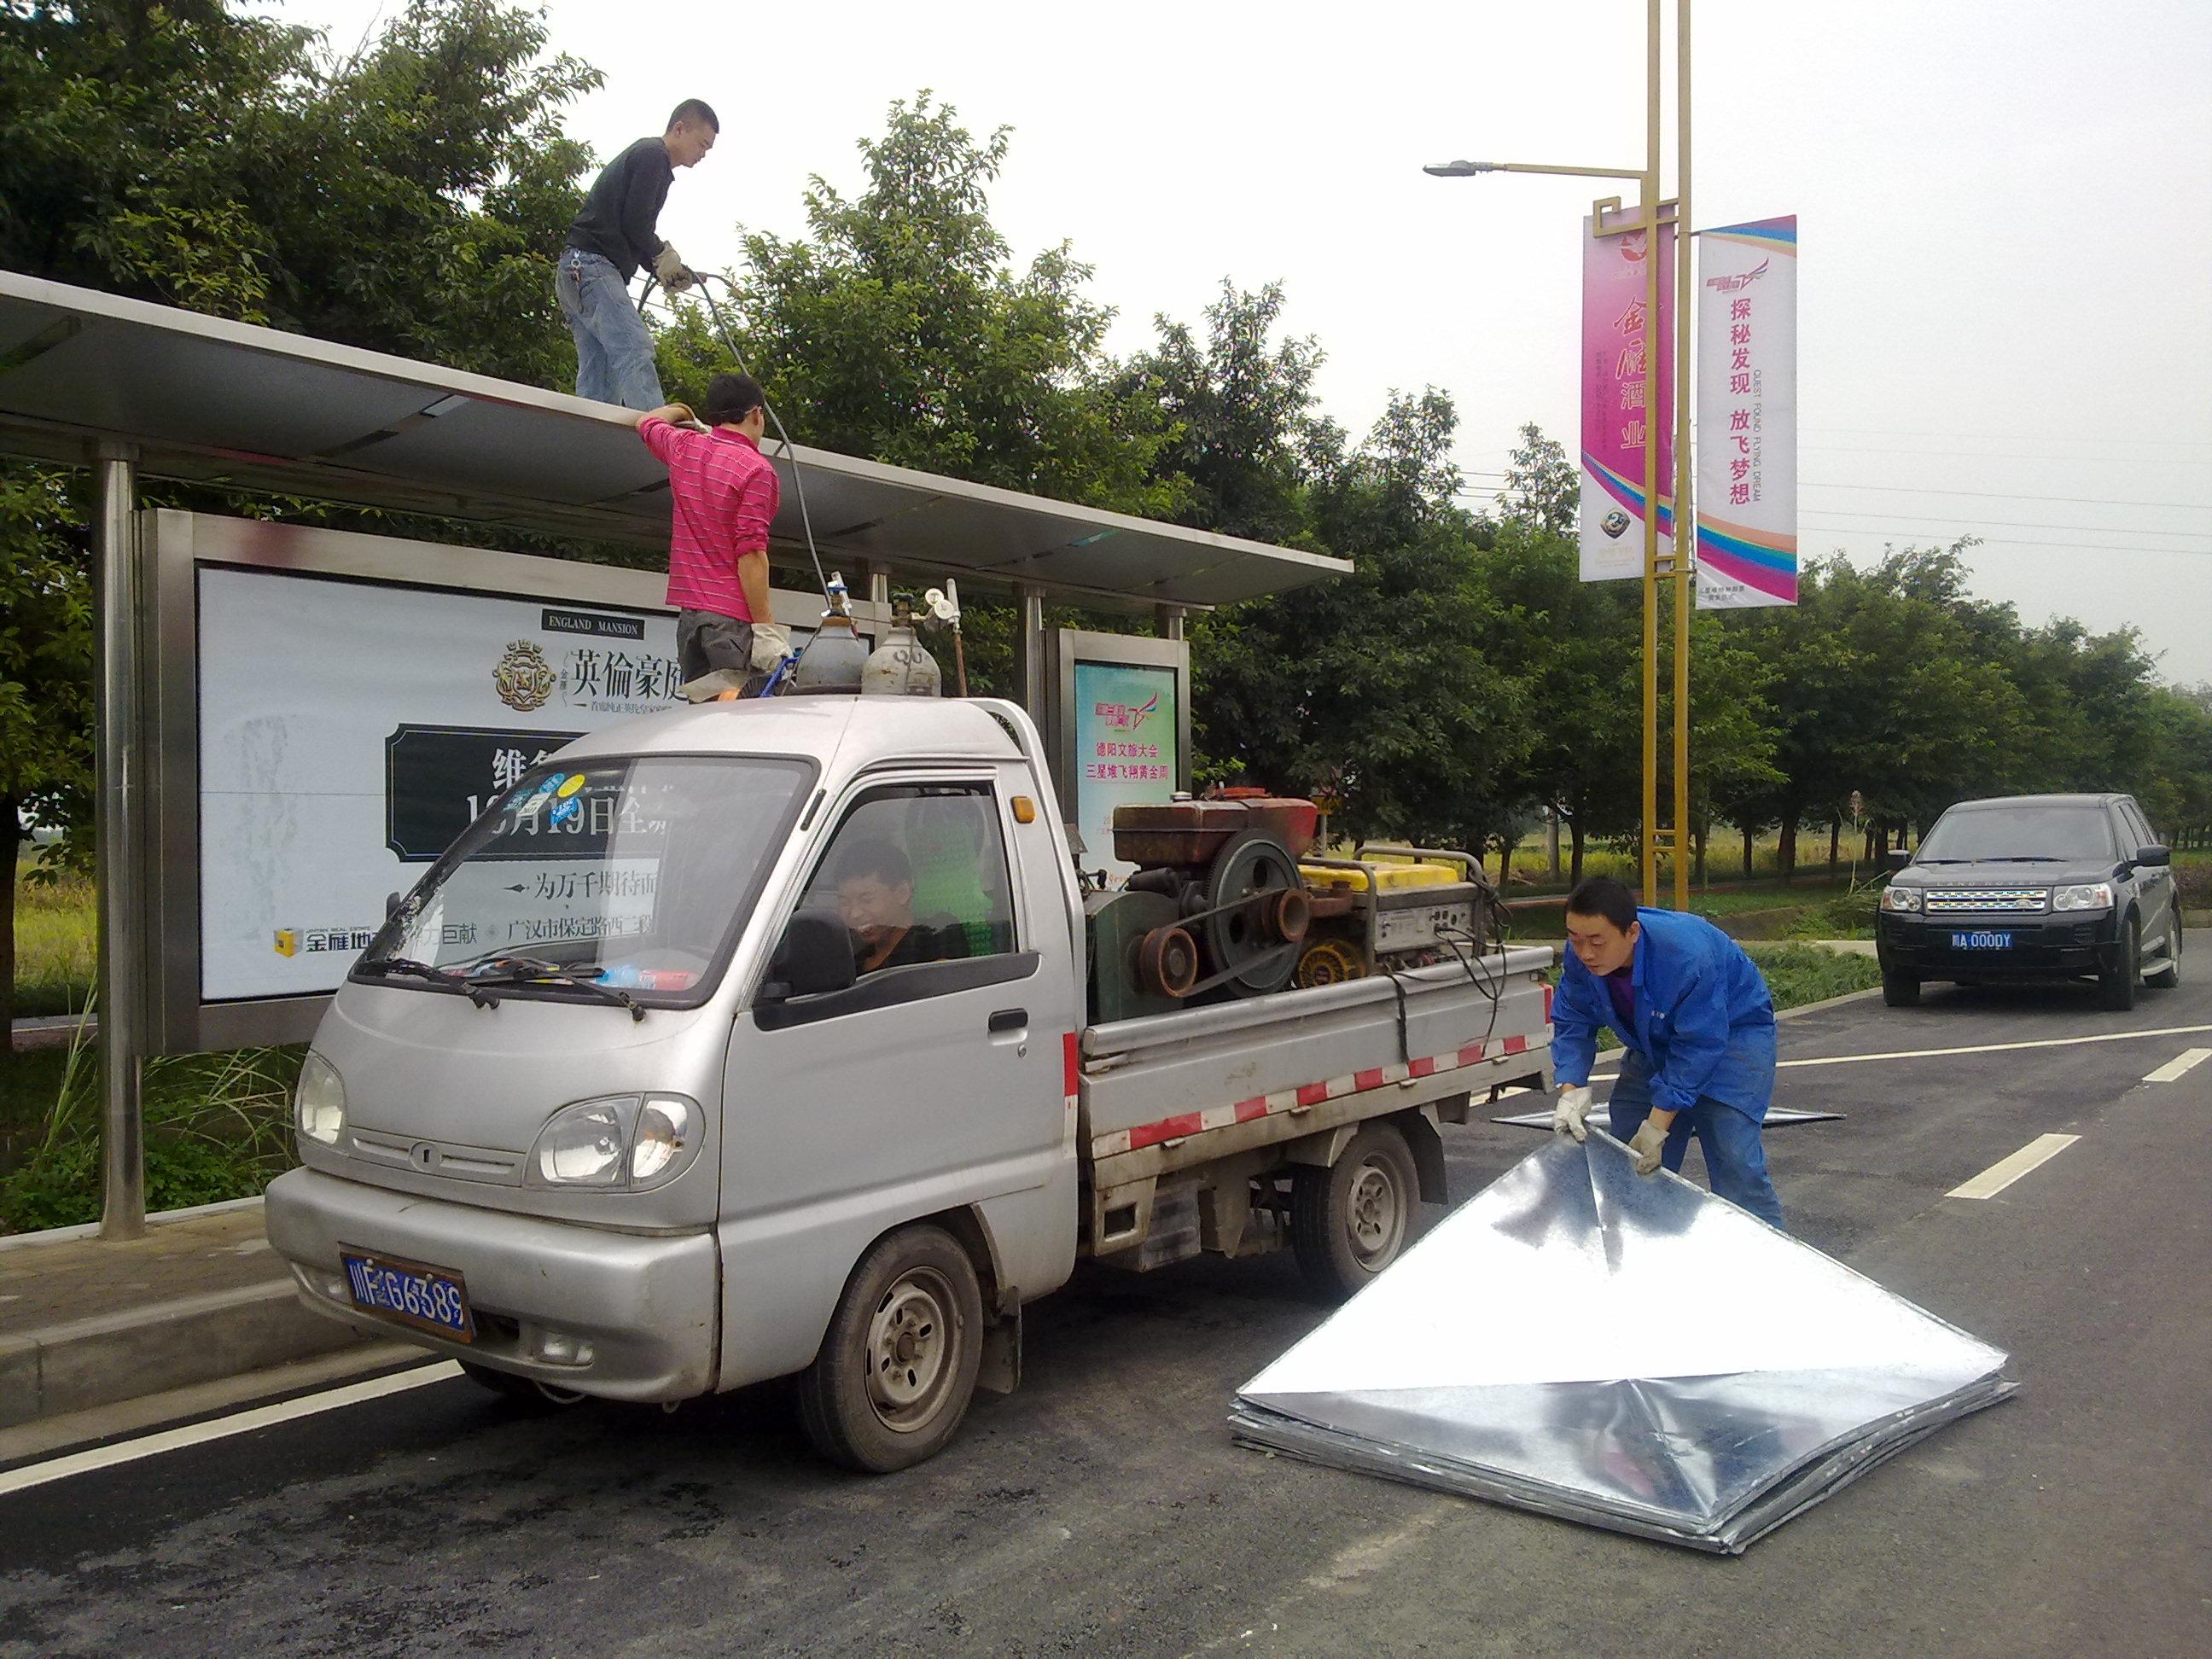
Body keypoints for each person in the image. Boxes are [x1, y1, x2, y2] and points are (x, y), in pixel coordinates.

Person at [1549, 875, 1785, 1230]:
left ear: (1632, 932)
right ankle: (1641, 1247)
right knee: (1627, 1156)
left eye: (1596, 942)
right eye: (1575, 939)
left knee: (1734, 1159)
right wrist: (1571, 1089)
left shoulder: (1686, 957)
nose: (1586, 954)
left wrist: (1658, 1125)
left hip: (1731, 1037)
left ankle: (1764, 1255)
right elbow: (1572, 1018)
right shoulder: (1582, 956)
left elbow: (1698, 1046)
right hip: (1654, 1039)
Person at [557, 99, 718, 410]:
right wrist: (662, 255)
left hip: (576, 270)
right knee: (634, 348)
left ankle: (594, 435)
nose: (703, 155)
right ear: (679, 129)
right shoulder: (654, 156)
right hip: (592, 266)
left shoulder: (650, 158)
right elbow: (637, 223)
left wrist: (665, 267)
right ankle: (659, 431)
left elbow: (632, 229)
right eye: (702, 144)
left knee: (600, 372)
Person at [635, 374, 789, 690]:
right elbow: (751, 554)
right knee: (743, 712)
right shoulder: (757, 470)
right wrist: (766, 630)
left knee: (706, 714)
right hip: (732, 622)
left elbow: (647, 422)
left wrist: (682, 411)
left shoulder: (685, 447)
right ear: (757, 414)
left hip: (690, 621)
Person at [830, 840, 971, 974]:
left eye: (867, 900)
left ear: (902, 893)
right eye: (844, 902)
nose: (854, 914)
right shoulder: (851, 958)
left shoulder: (937, 935)